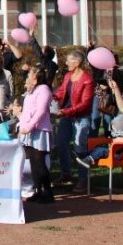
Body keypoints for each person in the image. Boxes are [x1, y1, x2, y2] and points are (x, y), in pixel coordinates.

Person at [53, 49, 93, 193]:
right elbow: (62, 91)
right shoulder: (68, 75)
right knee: (60, 143)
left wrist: (66, 111)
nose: (66, 62)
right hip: (66, 115)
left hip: (80, 117)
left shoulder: (87, 79)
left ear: (77, 62)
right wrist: (52, 96)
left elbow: (85, 103)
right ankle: (66, 174)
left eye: (69, 60)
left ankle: (83, 179)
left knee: (79, 147)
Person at [15, 65, 54, 203]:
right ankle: (37, 190)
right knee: (32, 162)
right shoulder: (31, 91)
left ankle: (47, 192)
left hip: (39, 130)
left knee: (40, 162)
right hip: (28, 131)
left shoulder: (43, 90)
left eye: (29, 75)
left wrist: (30, 126)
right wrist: (22, 126)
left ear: (35, 78)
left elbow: (41, 111)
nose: (26, 78)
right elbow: (27, 112)